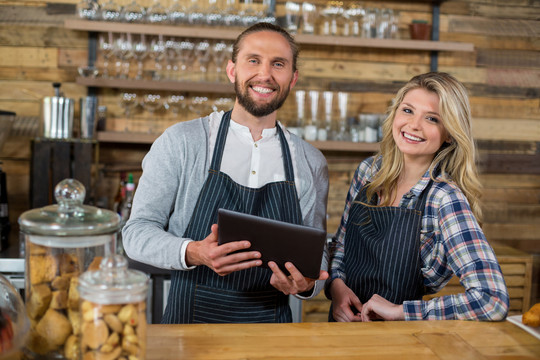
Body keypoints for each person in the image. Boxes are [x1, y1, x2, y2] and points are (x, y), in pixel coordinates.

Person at [123, 22, 329, 324]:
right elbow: (136, 232)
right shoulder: (183, 142)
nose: (265, 75)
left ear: (293, 78)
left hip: (271, 333)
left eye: (279, 64)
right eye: (254, 60)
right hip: (188, 329)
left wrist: (308, 284)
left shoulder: (310, 161)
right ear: (232, 70)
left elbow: (317, 254)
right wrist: (193, 251)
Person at [326, 72, 509, 322]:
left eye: (432, 118)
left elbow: (492, 299)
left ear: (450, 133)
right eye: (408, 111)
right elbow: (342, 244)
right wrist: (336, 287)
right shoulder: (368, 172)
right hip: (341, 329)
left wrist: (401, 311)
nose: (414, 125)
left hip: (402, 342)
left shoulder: (444, 198)